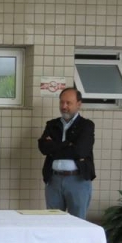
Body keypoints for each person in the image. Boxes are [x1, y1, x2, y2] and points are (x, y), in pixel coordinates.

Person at [38, 87, 95, 219]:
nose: (64, 106)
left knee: (77, 222)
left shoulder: (86, 125)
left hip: (78, 180)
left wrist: (54, 147)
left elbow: (80, 151)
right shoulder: (52, 124)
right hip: (54, 179)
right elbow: (43, 148)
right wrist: (67, 144)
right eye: (62, 102)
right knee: (53, 221)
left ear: (78, 104)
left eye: (68, 103)